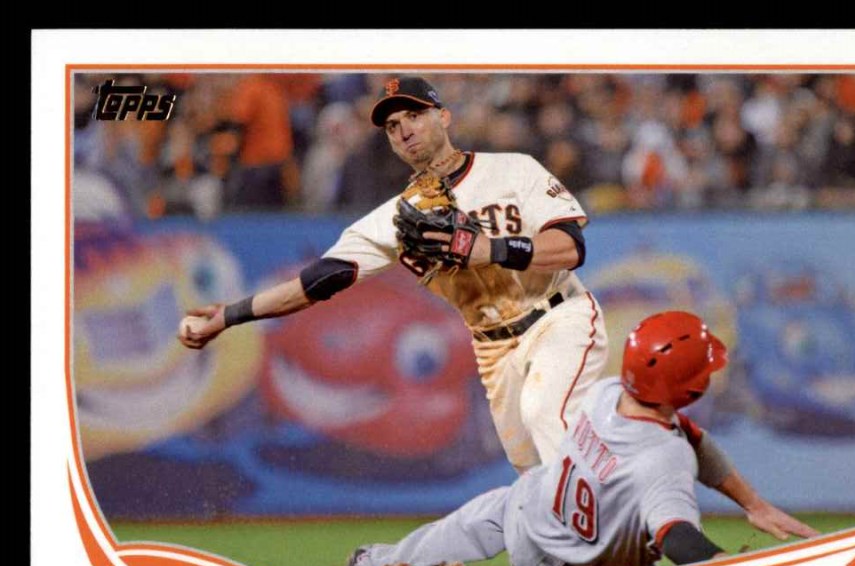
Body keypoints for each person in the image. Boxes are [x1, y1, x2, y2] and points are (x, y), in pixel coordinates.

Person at [178, 76, 608, 473]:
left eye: (414, 115)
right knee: (536, 476)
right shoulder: (396, 220)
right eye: (392, 125)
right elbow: (312, 285)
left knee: (545, 414)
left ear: (444, 117)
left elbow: (571, 247)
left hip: (556, 316)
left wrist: (488, 249)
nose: (404, 130)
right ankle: (615, 490)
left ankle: (624, 497)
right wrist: (228, 315)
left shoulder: (513, 169)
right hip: (493, 348)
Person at [339, 311, 820, 566]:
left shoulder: (607, 393)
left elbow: (690, 434)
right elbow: (676, 538)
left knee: (453, 532)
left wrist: (752, 502)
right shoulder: (665, 459)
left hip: (523, 513)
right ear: (690, 389)